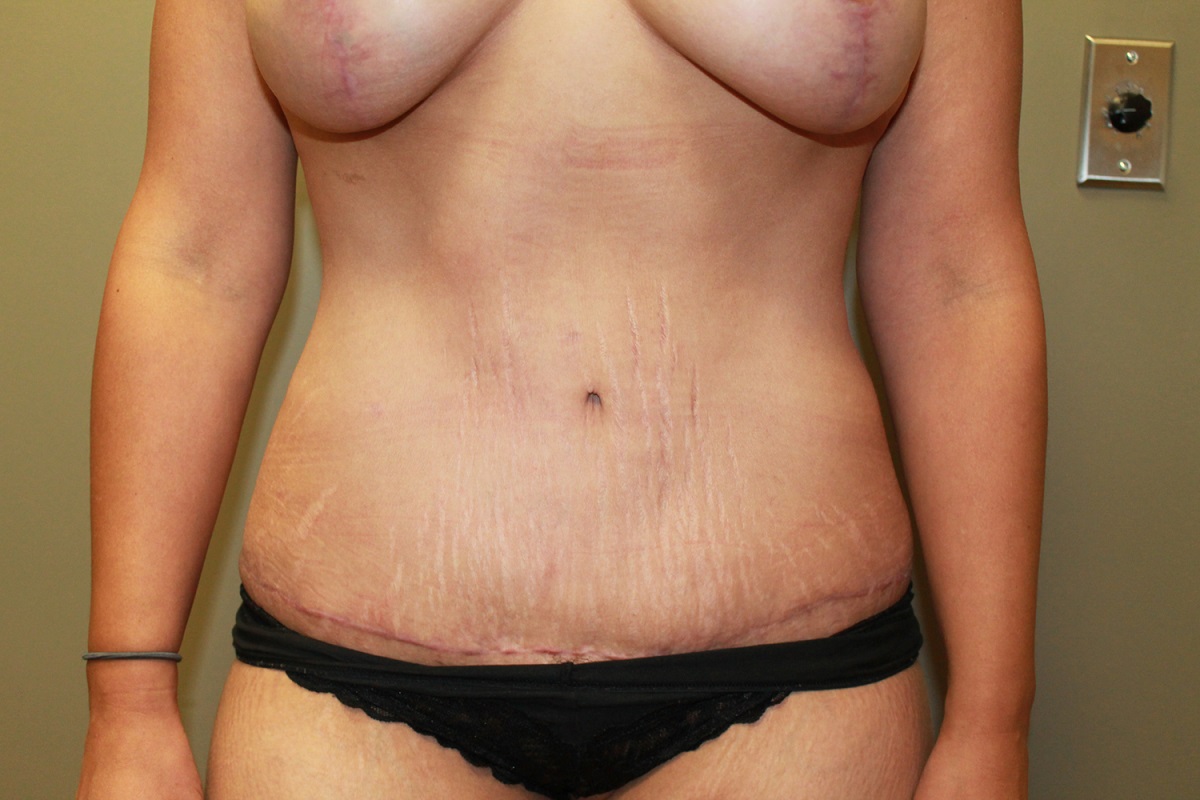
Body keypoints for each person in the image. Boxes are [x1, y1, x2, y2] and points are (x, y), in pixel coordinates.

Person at [78, 0, 1045, 798]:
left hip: (796, 688)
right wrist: (127, 699)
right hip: (348, 689)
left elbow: (959, 279)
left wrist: (991, 721)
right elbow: (194, 259)